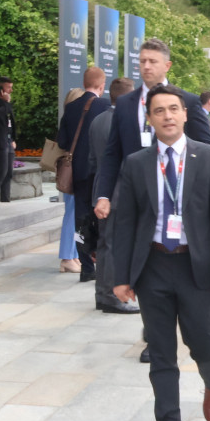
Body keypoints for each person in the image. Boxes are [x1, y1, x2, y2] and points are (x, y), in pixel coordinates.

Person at [111, 84, 210, 421]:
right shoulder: (136, 163)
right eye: (159, 110)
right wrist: (121, 276)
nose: (167, 116)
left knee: (204, 344)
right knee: (162, 354)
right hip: (153, 267)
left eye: (173, 109)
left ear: (185, 115)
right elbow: (125, 222)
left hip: (195, 266)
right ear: (149, 119)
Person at [94, 38, 210, 361]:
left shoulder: (186, 101)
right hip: (137, 200)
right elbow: (111, 154)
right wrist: (103, 194)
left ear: (167, 66)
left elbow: (208, 153)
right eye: (142, 61)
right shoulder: (125, 105)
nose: (146, 66)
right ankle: (154, 336)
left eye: (152, 61)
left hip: (179, 199)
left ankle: (190, 340)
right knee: (143, 265)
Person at [88, 76, 138, 314]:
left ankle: (102, 294)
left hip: (101, 190)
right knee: (112, 245)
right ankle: (110, 296)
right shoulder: (123, 121)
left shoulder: (97, 120)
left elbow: (91, 160)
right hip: (117, 192)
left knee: (104, 244)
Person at [56, 67, 111, 282]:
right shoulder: (105, 106)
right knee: (100, 218)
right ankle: (100, 262)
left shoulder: (70, 108)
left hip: (77, 173)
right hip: (98, 172)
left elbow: (62, 141)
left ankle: (86, 267)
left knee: (80, 221)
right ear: (102, 85)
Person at [58, 87, 85, 274]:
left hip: (70, 169)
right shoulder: (76, 118)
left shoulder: (67, 118)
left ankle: (73, 254)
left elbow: (61, 142)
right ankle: (67, 257)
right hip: (75, 170)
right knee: (72, 214)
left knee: (75, 213)